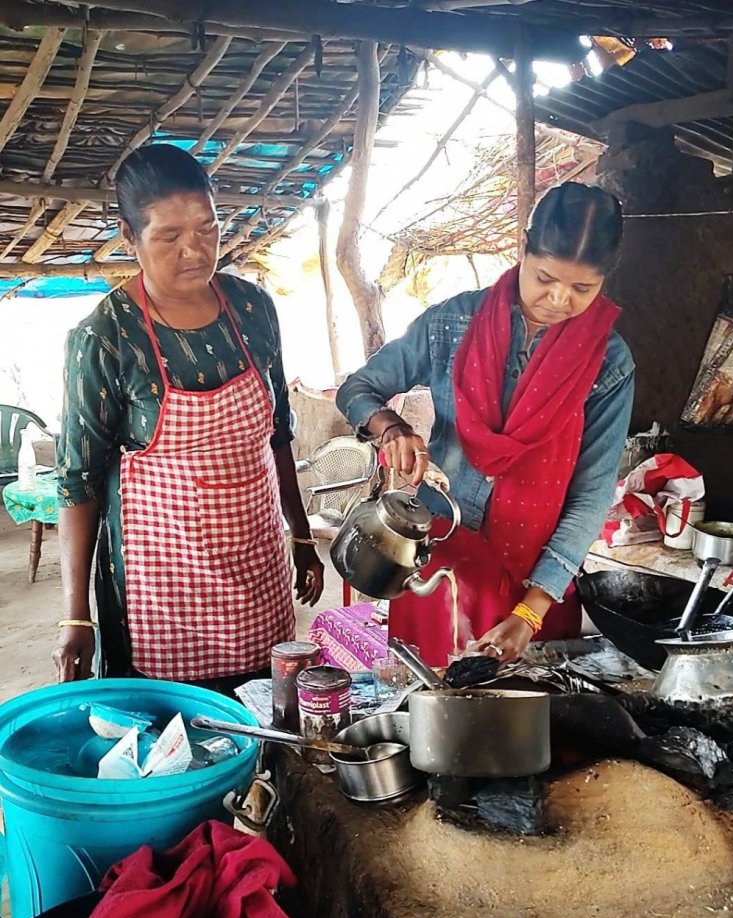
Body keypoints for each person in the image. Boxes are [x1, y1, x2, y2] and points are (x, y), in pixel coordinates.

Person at [54, 144, 324, 693]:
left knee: (264, 713)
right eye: (169, 236)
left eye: (207, 228)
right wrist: (75, 616)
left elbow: (277, 433)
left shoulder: (253, 309)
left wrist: (300, 535)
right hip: (162, 587)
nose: (194, 251)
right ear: (129, 237)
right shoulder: (105, 337)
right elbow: (78, 483)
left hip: (257, 563)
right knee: (174, 727)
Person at [336, 183, 634, 667]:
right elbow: (358, 388)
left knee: (525, 704)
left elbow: (591, 495)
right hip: (440, 562)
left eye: (583, 288)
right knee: (427, 698)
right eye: (545, 277)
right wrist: (390, 427)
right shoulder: (452, 324)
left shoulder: (608, 364)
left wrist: (530, 613)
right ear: (524, 247)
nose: (559, 299)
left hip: (536, 581)